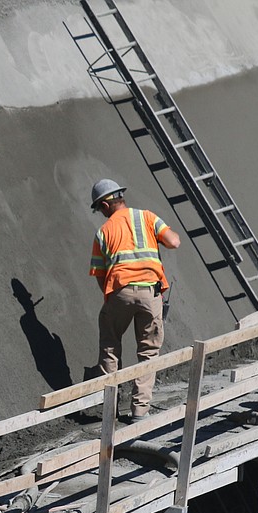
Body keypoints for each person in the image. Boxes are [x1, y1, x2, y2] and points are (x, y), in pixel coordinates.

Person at [88, 178, 182, 420]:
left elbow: (99, 274)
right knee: (149, 352)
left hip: (120, 292)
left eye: (99, 209)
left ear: (105, 206)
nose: (101, 213)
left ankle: (110, 410)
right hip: (151, 292)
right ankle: (140, 411)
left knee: (110, 346)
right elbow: (174, 242)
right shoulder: (148, 217)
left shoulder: (103, 231)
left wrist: (111, 299)